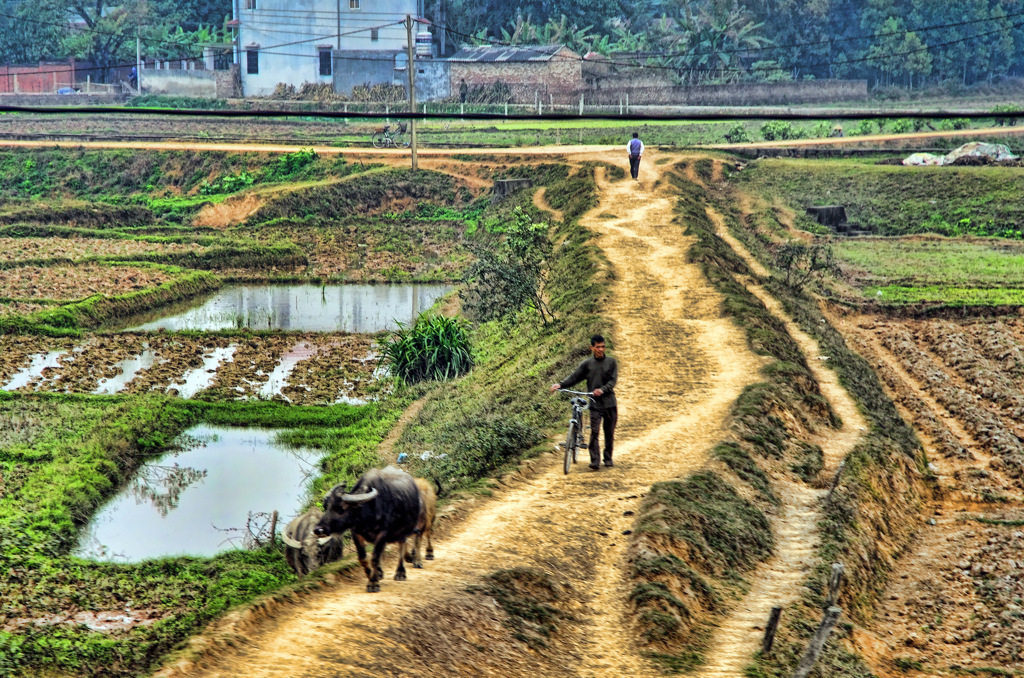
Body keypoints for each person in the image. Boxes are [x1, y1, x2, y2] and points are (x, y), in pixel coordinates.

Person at [550, 335, 618, 470]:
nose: (600, 349)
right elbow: (575, 377)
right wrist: (561, 385)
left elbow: (612, 381)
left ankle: (608, 458)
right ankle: (595, 461)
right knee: (594, 432)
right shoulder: (587, 364)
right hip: (594, 404)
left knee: (609, 433)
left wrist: (602, 390)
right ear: (592, 348)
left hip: (610, 403)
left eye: (603, 346)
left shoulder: (611, 362)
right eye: (598, 347)